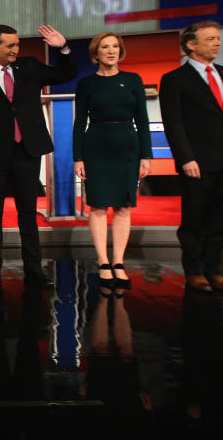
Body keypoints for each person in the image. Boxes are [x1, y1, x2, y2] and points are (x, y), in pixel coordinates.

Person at [0, 24, 76, 289]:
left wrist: (64, 47)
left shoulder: (30, 67)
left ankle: (34, 269)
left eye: (17, 45)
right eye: (10, 45)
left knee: (27, 212)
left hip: (27, 151)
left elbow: (67, 73)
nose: (16, 49)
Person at [159, 21, 223, 293]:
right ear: (191, 44)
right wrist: (186, 158)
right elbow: (173, 123)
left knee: (222, 219)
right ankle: (195, 271)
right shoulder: (174, 79)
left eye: (218, 38)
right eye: (211, 38)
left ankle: (215, 270)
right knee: (195, 220)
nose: (218, 43)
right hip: (196, 163)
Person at [73, 32, 152, 289]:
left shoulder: (133, 80)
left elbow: (142, 120)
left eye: (115, 46)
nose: (111, 51)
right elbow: (79, 122)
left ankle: (118, 262)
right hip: (96, 145)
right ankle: (103, 261)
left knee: (123, 206)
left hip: (128, 146)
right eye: (105, 47)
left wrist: (146, 156)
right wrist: (78, 158)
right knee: (97, 206)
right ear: (96, 53)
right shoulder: (86, 83)